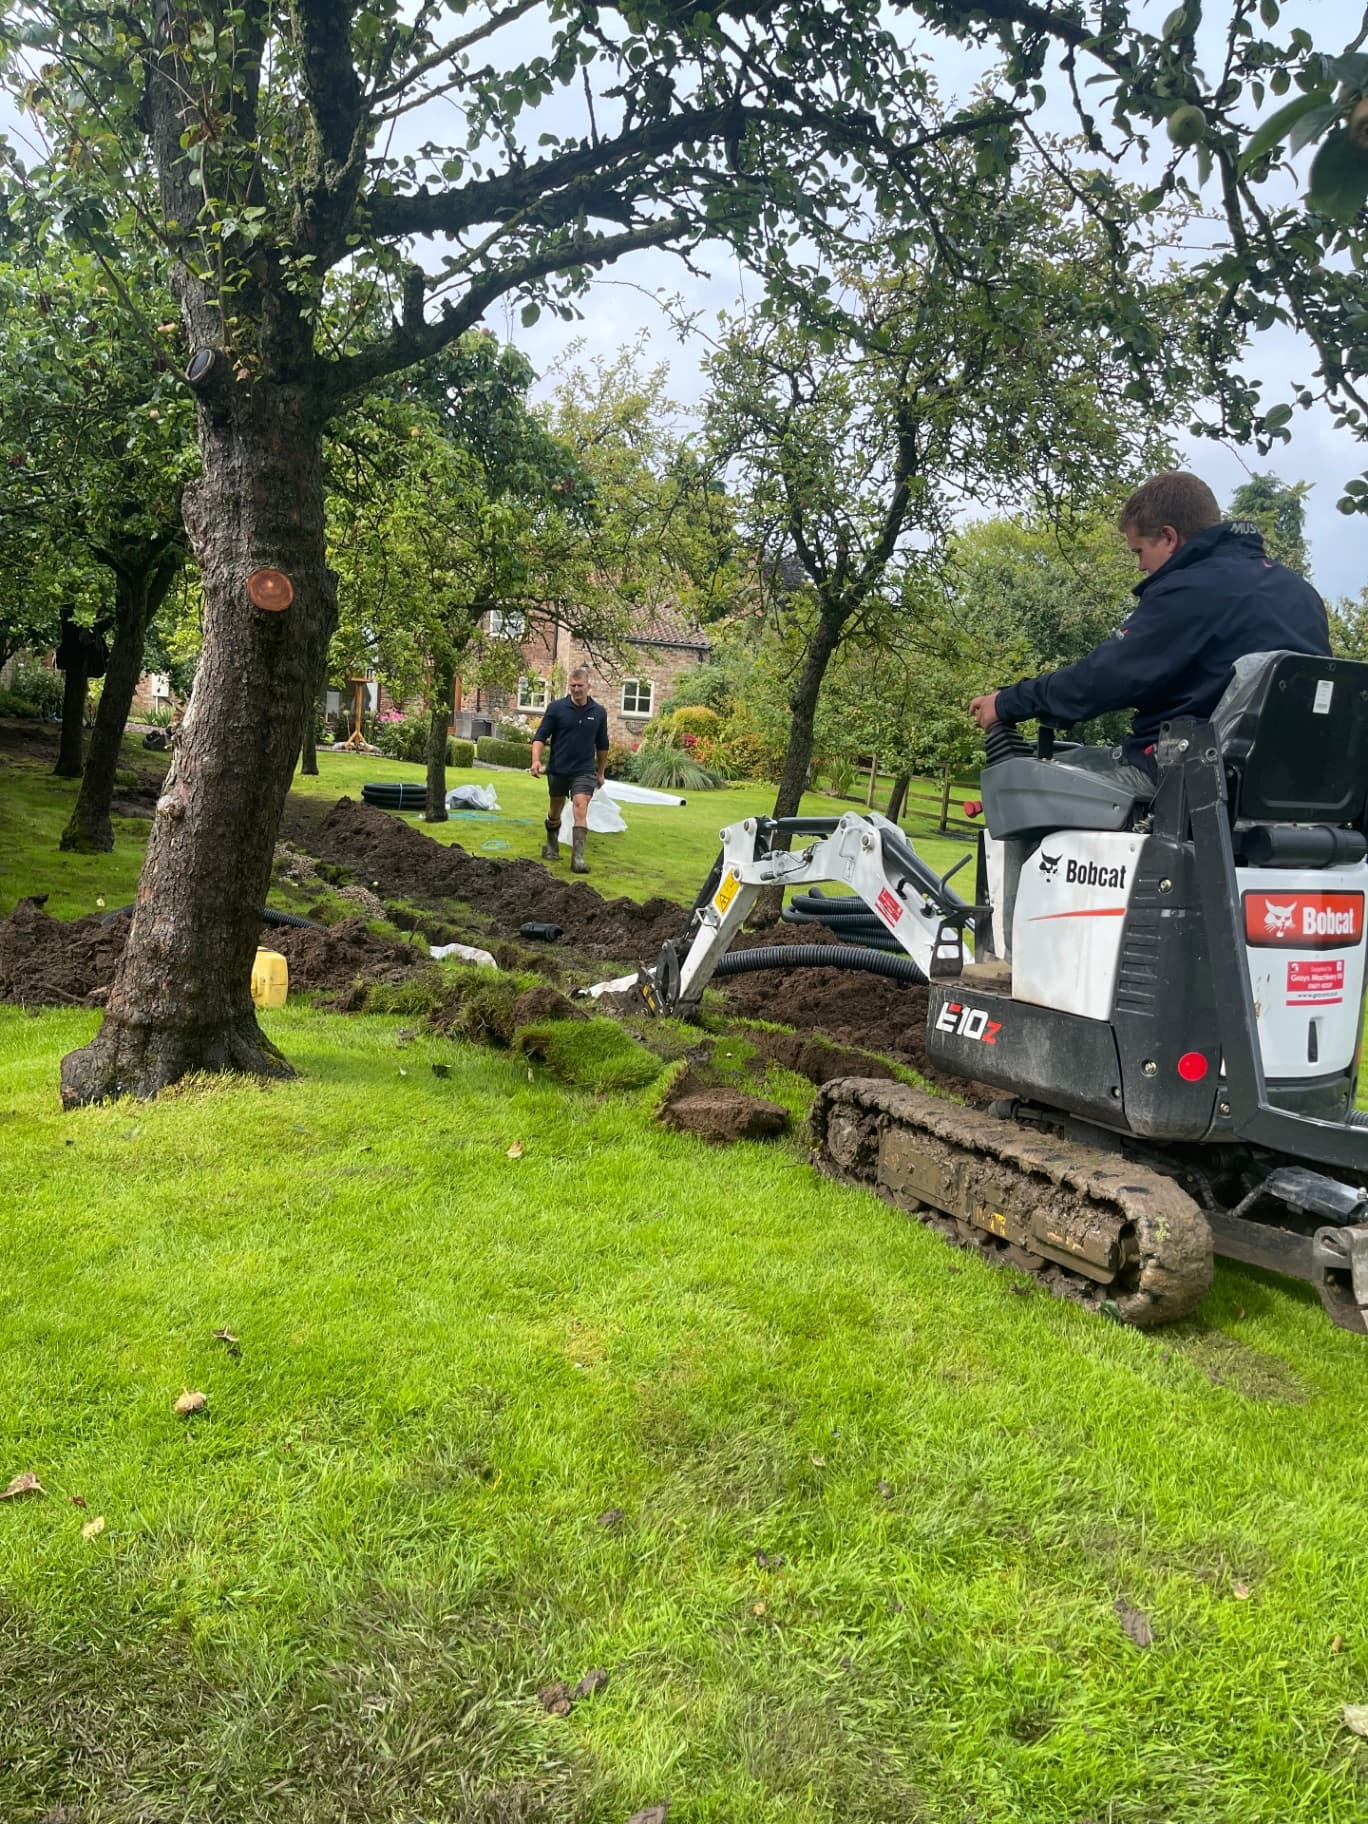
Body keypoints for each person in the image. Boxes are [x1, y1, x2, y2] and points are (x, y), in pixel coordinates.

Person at [969, 471, 1331, 791]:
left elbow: (1104, 678)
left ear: (1169, 538)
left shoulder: (1189, 589)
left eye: (1139, 551)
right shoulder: (1301, 593)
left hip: (1188, 780)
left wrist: (1008, 702)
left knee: (1021, 786)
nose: (1141, 566)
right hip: (1287, 785)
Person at [530, 665, 609, 874]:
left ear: (588, 686)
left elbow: (602, 745)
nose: (576, 689)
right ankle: (551, 843)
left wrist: (601, 772)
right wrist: (536, 760)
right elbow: (540, 737)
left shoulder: (599, 712)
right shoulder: (556, 708)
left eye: (580, 685)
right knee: (555, 809)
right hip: (558, 769)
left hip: (584, 770)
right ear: (569, 686)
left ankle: (578, 858)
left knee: (580, 806)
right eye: (572, 686)